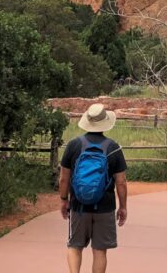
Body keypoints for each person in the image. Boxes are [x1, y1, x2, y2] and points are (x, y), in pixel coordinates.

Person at [60, 103, 128, 273]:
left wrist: (64, 200)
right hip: (105, 206)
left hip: (78, 206)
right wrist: (123, 207)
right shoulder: (113, 148)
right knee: (99, 251)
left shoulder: (73, 145)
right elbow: (121, 182)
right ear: (105, 123)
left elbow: (64, 178)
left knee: (75, 246)